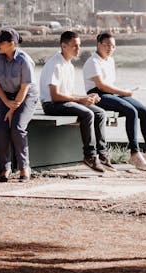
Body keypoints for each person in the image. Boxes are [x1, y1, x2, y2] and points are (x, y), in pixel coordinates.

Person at [40, 31, 115, 173]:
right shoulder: (55, 64)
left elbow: (68, 94)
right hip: (51, 105)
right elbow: (55, 96)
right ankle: (90, 156)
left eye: (79, 45)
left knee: (99, 112)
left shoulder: (69, 65)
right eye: (74, 46)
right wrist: (81, 100)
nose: (78, 49)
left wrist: (87, 97)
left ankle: (102, 155)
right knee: (88, 114)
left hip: (62, 102)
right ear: (63, 46)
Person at [83, 33, 146, 171]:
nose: (110, 48)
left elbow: (110, 85)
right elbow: (102, 86)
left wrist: (121, 91)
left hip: (111, 94)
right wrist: (124, 92)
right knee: (131, 111)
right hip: (97, 95)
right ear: (99, 44)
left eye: (113, 46)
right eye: (107, 45)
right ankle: (134, 153)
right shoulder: (93, 62)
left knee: (145, 112)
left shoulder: (110, 60)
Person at [0, 28, 39, 182]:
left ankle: (25, 168)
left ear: (12, 44)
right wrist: (7, 104)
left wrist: (13, 108)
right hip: (5, 96)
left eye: (0, 42)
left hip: (26, 96)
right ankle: (5, 168)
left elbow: (25, 88)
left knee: (17, 128)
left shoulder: (24, 60)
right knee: (1, 128)